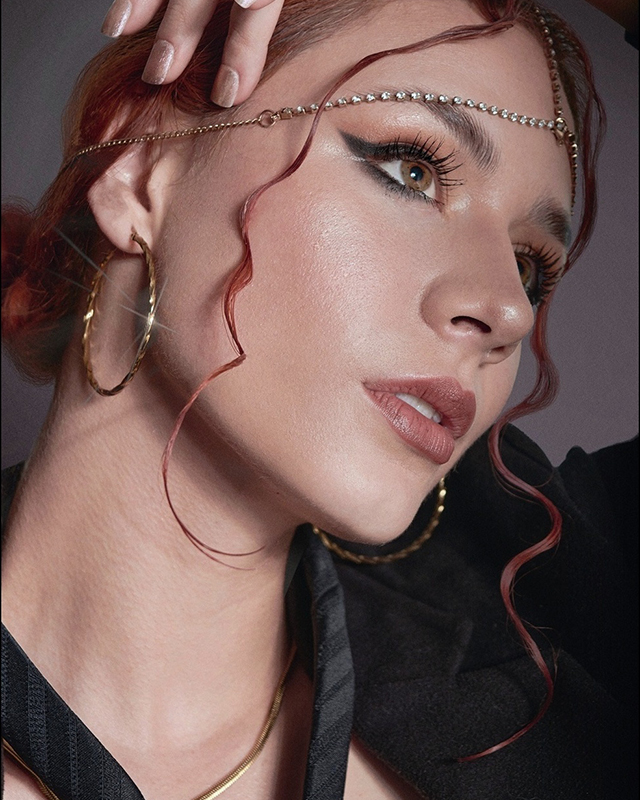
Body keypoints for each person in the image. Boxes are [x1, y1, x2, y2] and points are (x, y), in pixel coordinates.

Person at [1, 0, 637, 798]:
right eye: (412, 167)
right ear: (143, 169)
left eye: (530, 264)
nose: (508, 309)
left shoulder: (554, 631)